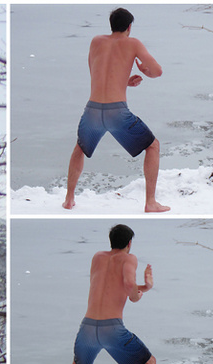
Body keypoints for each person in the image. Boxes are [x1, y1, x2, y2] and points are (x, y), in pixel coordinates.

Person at [58, 224, 164, 364]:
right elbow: (128, 287)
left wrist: (140, 289)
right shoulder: (129, 258)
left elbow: (109, 285)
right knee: (149, 363)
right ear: (129, 243)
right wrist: (145, 289)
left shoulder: (97, 257)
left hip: (88, 325)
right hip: (111, 328)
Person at [63, 8, 168, 214]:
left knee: (79, 148)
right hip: (116, 113)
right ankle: (151, 202)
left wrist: (123, 82)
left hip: (92, 109)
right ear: (129, 27)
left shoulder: (96, 41)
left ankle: (68, 199)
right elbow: (157, 71)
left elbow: (97, 73)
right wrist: (144, 71)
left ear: (111, 24)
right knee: (153, 146)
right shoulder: (132, 43)